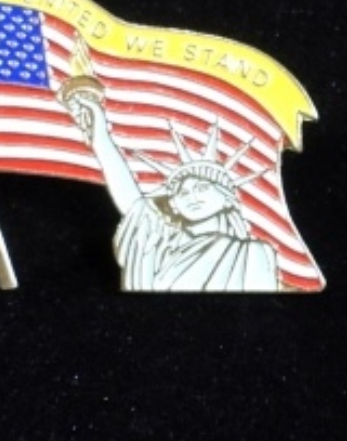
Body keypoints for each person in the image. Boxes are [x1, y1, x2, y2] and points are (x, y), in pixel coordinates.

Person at [58, 72, 281, 293]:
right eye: (182, 193)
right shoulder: (159, 244)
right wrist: (100, 133)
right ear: (174, 205)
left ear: (227, 199)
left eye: (202, 187)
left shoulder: (252, 254)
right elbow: (129, 196)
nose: (192, 197)